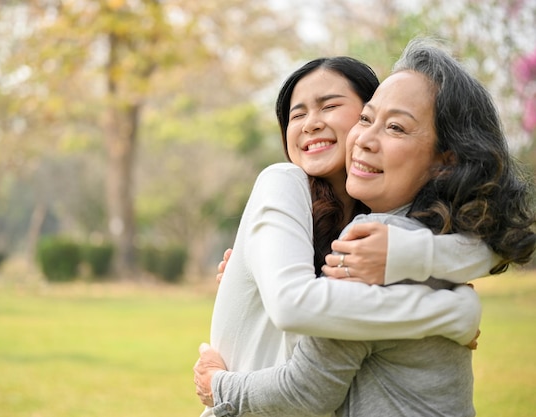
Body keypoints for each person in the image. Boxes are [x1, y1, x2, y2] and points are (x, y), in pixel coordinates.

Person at [194, 38, 536, 417]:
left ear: (445, 160)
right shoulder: (405, 234)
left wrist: (218, 385)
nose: (311, 123)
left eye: (394, 126)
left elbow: (304, 386)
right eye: (297, 114)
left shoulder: (371, 248)